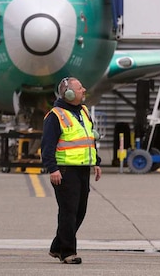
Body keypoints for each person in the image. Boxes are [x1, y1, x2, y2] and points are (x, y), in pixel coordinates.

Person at [41, 77, 102, 264]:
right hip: (65, 171)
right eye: (80, 88)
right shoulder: (55, 116)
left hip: (82, 169)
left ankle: (56, 246)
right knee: (68, 212)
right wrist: (53, 169)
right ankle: (68, 253)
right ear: (68, 93)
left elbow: (89, 138)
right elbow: (47, 146)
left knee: (80, 211)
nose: (84, 90)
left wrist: (96, 162)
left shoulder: (83, 111)